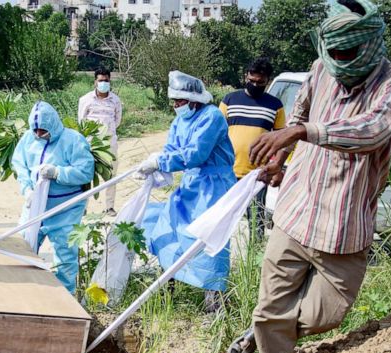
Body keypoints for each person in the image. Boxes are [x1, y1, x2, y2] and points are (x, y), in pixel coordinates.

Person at [227, 0, 391, 353]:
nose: (340, 63)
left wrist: (304, 132)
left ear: (370, 44)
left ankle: (269, 334)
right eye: (333, 54)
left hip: (345, 225)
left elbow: (372, 130)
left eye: (348, 55)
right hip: (296, 212)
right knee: (269, 311)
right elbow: (298, 115)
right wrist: (280, 158)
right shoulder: (320, 69)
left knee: (326, 315)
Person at [137, 71, 236, 314]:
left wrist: (162, 162)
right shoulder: (179, 120)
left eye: (179, 102)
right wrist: (156, 163)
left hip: (215, 185)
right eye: (174, 102)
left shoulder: (212, 117)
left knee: (209, 240)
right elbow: (172, 148)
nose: (176, 107)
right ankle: (167, 290)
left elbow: (196, 154)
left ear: (194, 100)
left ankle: (214, 304)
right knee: (169, 228)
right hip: (192, 183)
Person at [11, 101, 95, 294]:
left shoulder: (73, 140)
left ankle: (66, 297)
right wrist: (27, 190)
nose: (39, 135)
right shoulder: (27, 139)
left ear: (53, 125)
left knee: (65, 255)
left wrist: (58, 172)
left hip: (65, 208)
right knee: (22, 247)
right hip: (35, 206)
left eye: (43, 131)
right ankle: (24, 292)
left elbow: (85, 172)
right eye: (36, 131)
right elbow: (20, 165)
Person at [219, 57, 286, 239]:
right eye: (252, 80)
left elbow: (282, 140)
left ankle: (253, 257)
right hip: (227, 171)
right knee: (221, 218)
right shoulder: (229, 100)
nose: (255, 85)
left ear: (267, 82)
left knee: (256, 221)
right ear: (245, 76)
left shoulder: (275, 105)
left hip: (257, 174)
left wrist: (278, 167)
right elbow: (215, 134)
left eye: (260, 82)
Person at [77, 67, 123, 214]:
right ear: (95, 82)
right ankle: (83, 208)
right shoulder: (85, 100)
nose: (103, 83)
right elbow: (81, 121)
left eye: (106, 80)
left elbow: (117, 121)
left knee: (111, 175)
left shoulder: (115, 100)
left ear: (110, 81)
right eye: (101, 80)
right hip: (90, 145)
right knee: (87, 175)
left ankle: (109, 207)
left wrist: (107, 132)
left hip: (110, 144)